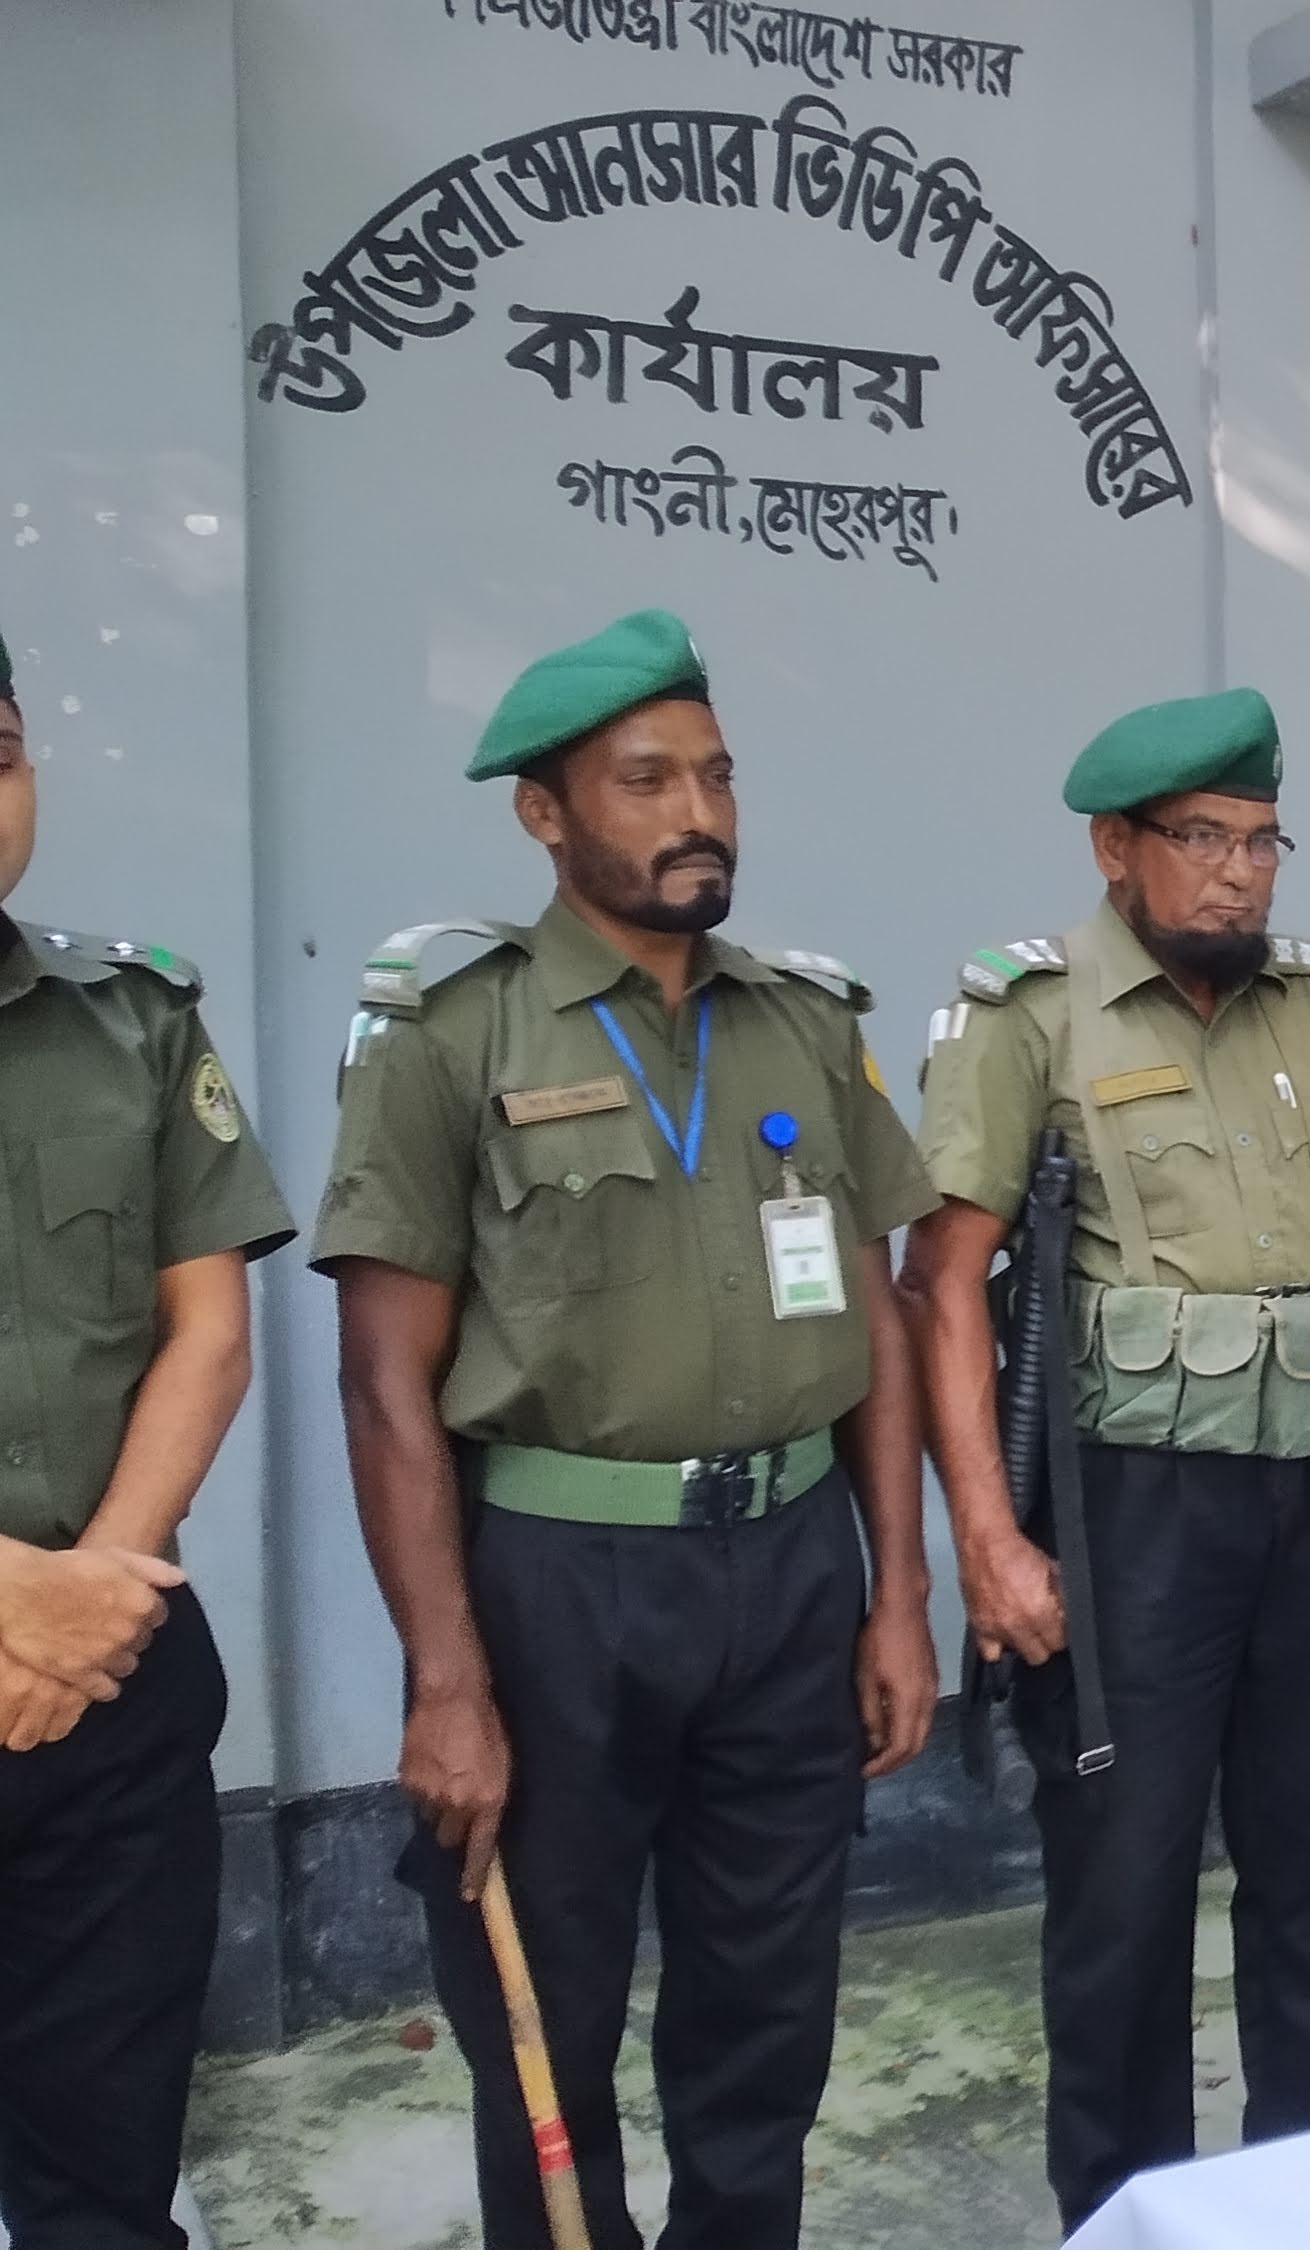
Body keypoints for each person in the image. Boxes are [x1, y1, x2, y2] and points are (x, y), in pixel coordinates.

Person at [313, 609, 940, 2250]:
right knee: (546, 2024)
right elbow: (383, 1381)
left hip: (790, 1568)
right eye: (648, 781)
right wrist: (446, 1680)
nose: (699, 814)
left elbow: (879, 1322)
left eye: (716, 776)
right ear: (546, 811)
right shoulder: (454, 1031)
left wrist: (899, 1590)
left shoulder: (806, 1022)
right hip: (556, 1589)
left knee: (767, 2018)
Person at [900, 688, 1310, 2229]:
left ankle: (1300, 2192)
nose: (1237, 873)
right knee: (1126, 1891)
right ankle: (1123, 2211)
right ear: (1116, 845)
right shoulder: (1031, 1015)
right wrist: (987, 1540)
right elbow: (942, 1281)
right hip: (1131, 1511)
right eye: (1203, 838)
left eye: (1261, 840)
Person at [0, 626, 295, 2249]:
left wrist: (94, 1596)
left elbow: (208, 1331)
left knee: (105, 2181)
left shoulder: (131, 1017)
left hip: (109, 1699)